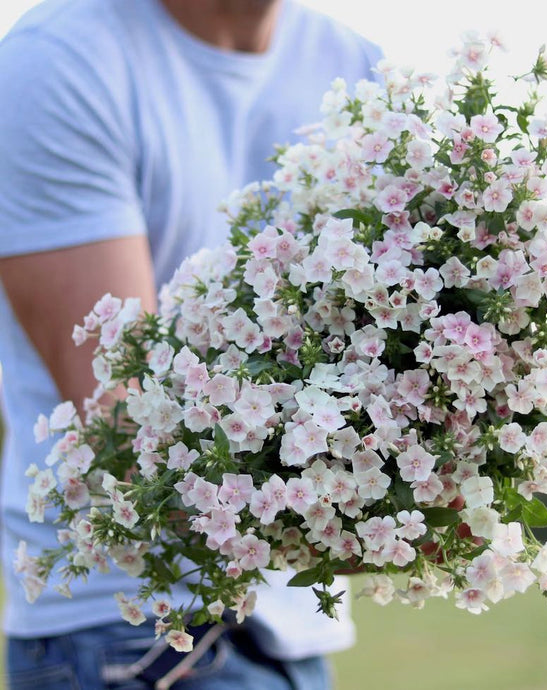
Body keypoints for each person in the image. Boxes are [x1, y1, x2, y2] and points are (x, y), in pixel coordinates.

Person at [0, 1, 383, 687]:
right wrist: (357, 518)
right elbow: (129, 428)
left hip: (292, 635)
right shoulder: (61, 62)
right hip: (132, 638)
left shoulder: (357, 68)